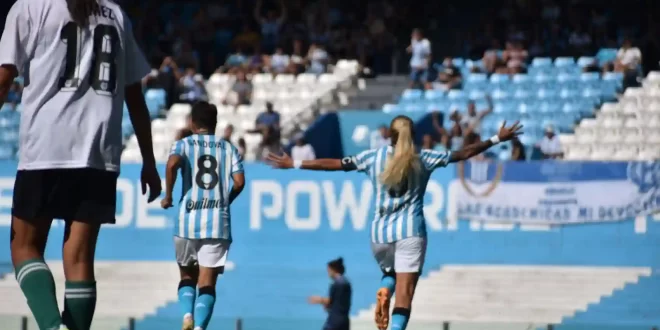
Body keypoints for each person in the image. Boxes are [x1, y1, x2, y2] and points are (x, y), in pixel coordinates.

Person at [267, 116, 522, 330]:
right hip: (411, 231)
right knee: (406, 294)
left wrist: (295, 163)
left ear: (389, 136)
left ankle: (384, 289)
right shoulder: (425, 157)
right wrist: (497, 139)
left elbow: (334, 164)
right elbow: (463, 153)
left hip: (380, 235)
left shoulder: (372, 157)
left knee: (389, 274)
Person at [0, 0, 162, 329]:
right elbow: (135, 97)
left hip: (47, 144)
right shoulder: (115, 13)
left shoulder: (30, 7)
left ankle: (50, 326)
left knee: (24, 246)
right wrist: (148, 160)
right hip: (99, 150)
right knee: (79, 258)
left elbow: (4, 78)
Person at [161, 101, 246, 330]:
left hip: (187, 221)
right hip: (218, 223)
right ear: (215, 124)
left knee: (187, 276)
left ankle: (187, 316)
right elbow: (239, 182)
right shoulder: (228, 148)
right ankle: (199, 327)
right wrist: (225, 200)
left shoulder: (183, 144)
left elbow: (171, 166)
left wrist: (168, 195)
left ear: (191, 123)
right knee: (207, 283)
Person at [309, 258, 352, 330]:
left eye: (328, 270)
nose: (328, 273)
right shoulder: (347, 283)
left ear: (333, 270)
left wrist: (319, 300)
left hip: (334, 321)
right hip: (344, 321)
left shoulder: (336, 283)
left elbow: (330, 301)